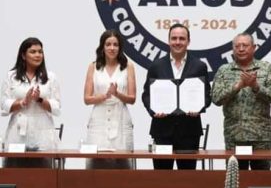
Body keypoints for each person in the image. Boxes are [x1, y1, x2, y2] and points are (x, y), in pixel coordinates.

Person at [142, 23, 211, 170]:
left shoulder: (199, 66)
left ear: (188, 41)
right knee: (162, 179)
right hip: (162, 130)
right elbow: (146, 95)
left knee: (187, 180)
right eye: (174, 38)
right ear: (168, 41)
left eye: (182, 38)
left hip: (189, 131)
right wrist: (153, 110)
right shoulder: (156, 66)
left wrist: (199, 107)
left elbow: (207, 95)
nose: (177, 42)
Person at [212, 32, 271, 170]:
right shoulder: (224, 70)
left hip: (261, 137)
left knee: (262, 183)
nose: (241, 49)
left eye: (245, 45)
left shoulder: (266, 68)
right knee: (235, 181)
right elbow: (216, 98)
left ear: (254, 47)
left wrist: (255, 86)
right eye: (237, 46)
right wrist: (237, 86)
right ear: (233, 49)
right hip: (234, 136)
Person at [0, 37, 61, 168]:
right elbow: (4, 105)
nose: (38, 55)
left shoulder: (50, 77)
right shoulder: (11, 76)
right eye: (33, 52)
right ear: (23, 55)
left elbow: (57, 107)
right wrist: (23, 102)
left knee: (44, 174)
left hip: (43, 130)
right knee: (15, 171)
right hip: (18, 130)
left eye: (40, 52)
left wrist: (39, 100)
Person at [84, 29, 136, 169]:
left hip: (120, 116)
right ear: (102, 47)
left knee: (123, 161)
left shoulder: (128, 66)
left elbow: (132, 99)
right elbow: (87, 99)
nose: (112, 48)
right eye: (108, 44)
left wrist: (117, 93)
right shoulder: (93, 66)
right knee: (96, 161)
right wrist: (104, 96)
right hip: (99, 118)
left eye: (115, 45)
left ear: (120, 47)